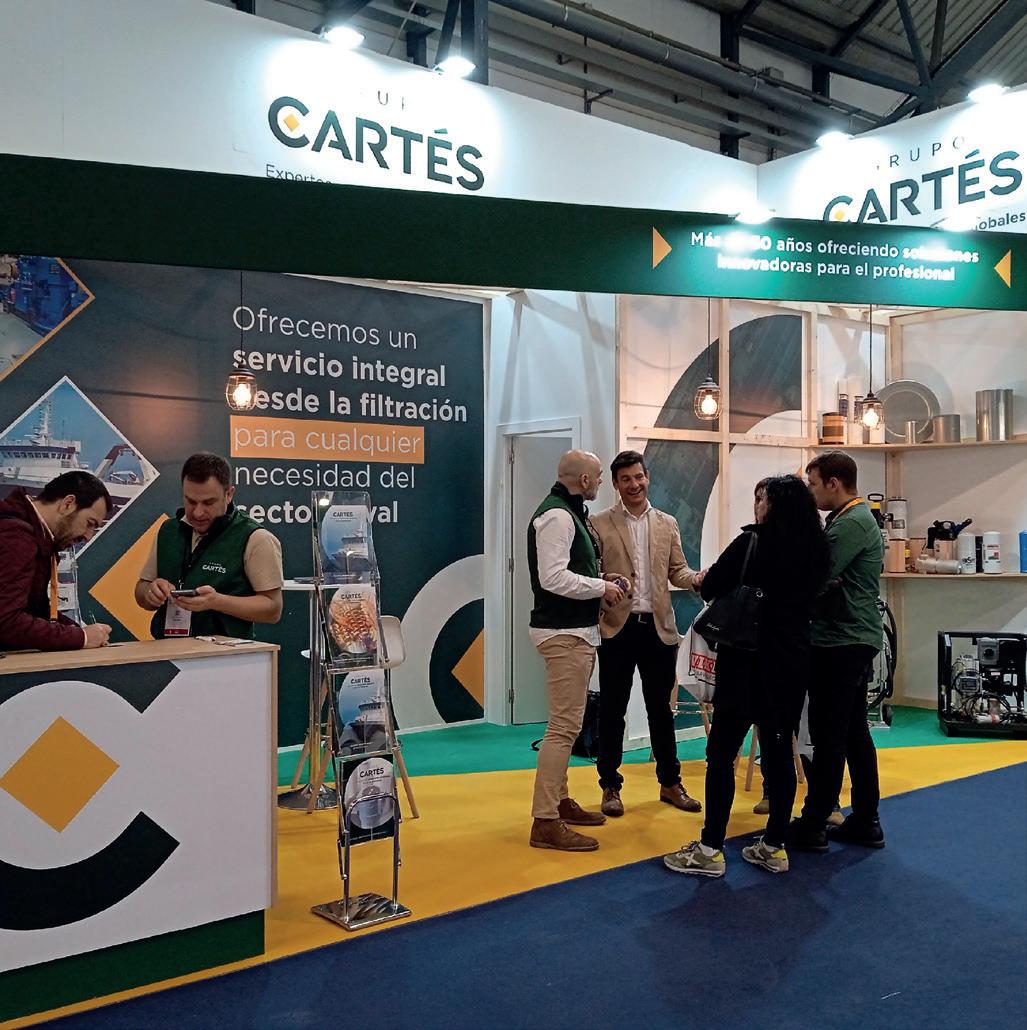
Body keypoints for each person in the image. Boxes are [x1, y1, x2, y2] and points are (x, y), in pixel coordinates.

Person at [663, 475, 829, 877]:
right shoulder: (817, 549)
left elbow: (713, 586)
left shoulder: (752, 542)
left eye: (761, 498)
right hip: (791, 663)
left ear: (773, 505)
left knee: (722, 754)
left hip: (746, 663)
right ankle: (774, 845)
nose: (757, 505)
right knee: (779, 753)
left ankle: (710, 849)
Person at [590, 450, 703, 817]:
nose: (634, 484)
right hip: (616, 629)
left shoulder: (667, 523)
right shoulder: (598, 523)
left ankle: (670, 783)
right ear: (615, 484)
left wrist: (698, 579)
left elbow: (678, 571)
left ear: (647, 477)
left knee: (661, 711)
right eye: (626, 479)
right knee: (612, 711)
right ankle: (610, 786)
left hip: (658, 630)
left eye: (638, 477)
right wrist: (603, 582)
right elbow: (591, 574)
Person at [527, 449, 625, 852]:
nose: (601, 481)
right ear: (584, 480)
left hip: (572, 631)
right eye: (599, 476)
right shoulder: (558, 516)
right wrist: (602, 587)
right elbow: (552, 577)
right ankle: (545, 820)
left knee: (565, 725)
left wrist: (600, 578)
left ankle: (559, 802)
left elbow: (567, 571)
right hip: (564, 632)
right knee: (564, 728)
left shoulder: (567, 512)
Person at [788, 450, 885, 852]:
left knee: (830, 735)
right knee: (853, 732)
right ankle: (865, 819)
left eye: (813, 484)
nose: (810, 493)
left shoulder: (850, 524)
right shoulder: (849, 520)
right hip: (849, 637)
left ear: (833, 483)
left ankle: (814, 822)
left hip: (841, 641)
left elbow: (813, 576)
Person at [135, 452, 283, 639]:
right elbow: (141, 590)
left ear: (229, 495)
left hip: (224, 654)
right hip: (166, 649)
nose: (198, 513)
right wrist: (150, 592)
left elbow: (273, 609)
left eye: (208, 503)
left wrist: (216, 601)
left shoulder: (256, 538)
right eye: (190, 501)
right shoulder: (168, 530)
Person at [0, 471, 112, 650]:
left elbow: (31, 612)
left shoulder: (32, 537)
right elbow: (6, 621)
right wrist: (81, 637)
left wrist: (78, 631)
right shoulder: (15, 538)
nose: (88, 536)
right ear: (68, 504)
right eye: (89, 523)